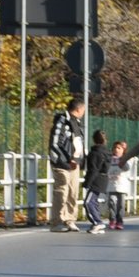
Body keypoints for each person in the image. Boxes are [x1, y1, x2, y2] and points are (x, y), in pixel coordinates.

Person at [47, 98, 85, 232]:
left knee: (73, 192)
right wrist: (67, 159)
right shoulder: (62, 121)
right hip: (62, 163)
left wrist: (79, 160)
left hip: (74, 163)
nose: (84, 113)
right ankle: (56, 222)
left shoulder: (78, 124)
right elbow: (55, 143)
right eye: (83, 110)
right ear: (79, 109)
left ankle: (70, 219)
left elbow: (78, 143)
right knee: (61, 191)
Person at [82, 130, 110, 234]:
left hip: (96, 180)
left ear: (93, 139)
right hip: (103, 179)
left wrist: (87, 182)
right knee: (93, 201)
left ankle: (97, 222)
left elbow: (93, 169)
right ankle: (97, 222)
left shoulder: (95, 153)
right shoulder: (106, 152)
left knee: (88, 202)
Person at [105, 139, 133, 230]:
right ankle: (112, 220)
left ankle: (119, 221)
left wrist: (122, 160)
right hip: (111, 185)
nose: (116, 150)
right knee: (111, 203)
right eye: (115, 148)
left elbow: (127, 168)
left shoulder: (125, 159)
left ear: (123, 150)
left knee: (120, 205)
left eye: (119, 148)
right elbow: (105, 168)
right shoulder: (110, 159)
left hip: (121, 186)